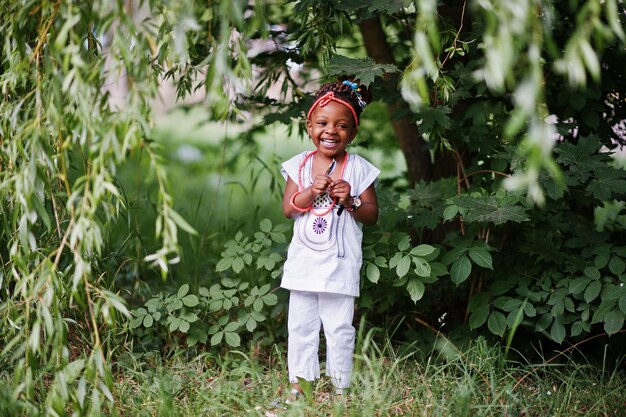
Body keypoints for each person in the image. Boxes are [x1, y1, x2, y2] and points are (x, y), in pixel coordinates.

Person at [279, 79, 380, 402]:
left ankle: (340, 388)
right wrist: (311, 191)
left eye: (341, 125)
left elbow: (371, 215)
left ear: (353, 132)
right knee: (301, 327)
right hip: (304, 265)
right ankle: (300, 386)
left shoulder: (360, 169)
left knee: (339, 329)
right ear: (310, 126)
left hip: (339, 265)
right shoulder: (300, 165)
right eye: (322, 123)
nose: (330, 131)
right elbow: (288, 210)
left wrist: (350, 201)